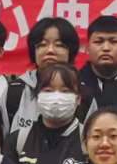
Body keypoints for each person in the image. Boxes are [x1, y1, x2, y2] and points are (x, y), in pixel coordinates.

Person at [9, 17, 82, 148]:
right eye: (42, 45)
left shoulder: (83, 92)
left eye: (59, 45)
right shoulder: (15, 91)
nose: (50, 50)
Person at [80, 16, 117, 114]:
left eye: (113, 42)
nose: (106, 48)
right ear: (87, 47)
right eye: (98, 42)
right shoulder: (75, 83)